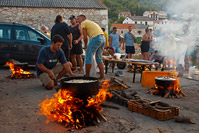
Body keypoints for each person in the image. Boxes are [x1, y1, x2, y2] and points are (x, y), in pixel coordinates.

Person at [77, 15, 105, 79]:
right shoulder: (91, 22)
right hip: (103, 38)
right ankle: (102, 76)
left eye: (78, 18)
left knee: (88, 57)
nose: (77, 20)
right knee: (99, 58)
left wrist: (86, 45)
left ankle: (87, 76)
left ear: (83, 18)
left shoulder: (83, 23)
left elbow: (85, 36)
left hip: (96, 38)